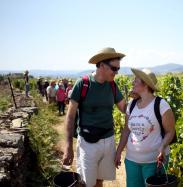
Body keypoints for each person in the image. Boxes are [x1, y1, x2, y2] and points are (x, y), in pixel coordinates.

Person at [62, 47, 127, 187]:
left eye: (118, 69)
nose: (116, 72)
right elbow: (70, 117)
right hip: (88, 143)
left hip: (108, 141)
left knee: (100, 181)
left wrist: (143, 99)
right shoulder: (83, 84)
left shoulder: (113, 86)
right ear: (102, 65)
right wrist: (68, 147)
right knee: (87, 183)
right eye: (114, 68)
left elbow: (125, 109)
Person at [115, 68, 176, 187]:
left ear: (146, 85)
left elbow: (170, 131)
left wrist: (162, 146)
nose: (132, 82)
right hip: (131, 160)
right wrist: (118, 152)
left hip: (154, 162)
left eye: (136, 80)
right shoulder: (132, 105)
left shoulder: (161, 105)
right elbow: (126, 130)